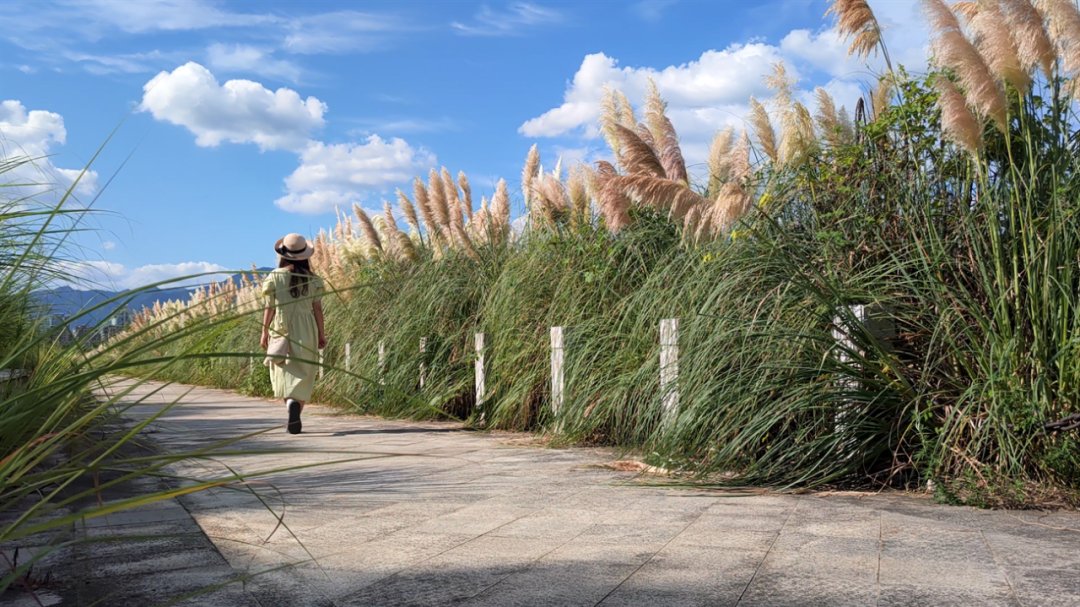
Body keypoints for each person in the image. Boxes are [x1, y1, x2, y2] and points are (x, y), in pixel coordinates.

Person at [260, 233, 327, 434]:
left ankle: (290, 403)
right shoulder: (314, 280)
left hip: (281, 328)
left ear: (283, 254)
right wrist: (322, 334)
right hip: (307, 328)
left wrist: (264, 332)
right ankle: (296, 405)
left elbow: (269, 308)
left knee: (282, 369)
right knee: (305, 372)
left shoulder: (274, 276)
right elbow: (317, 310)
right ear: (305, 256)